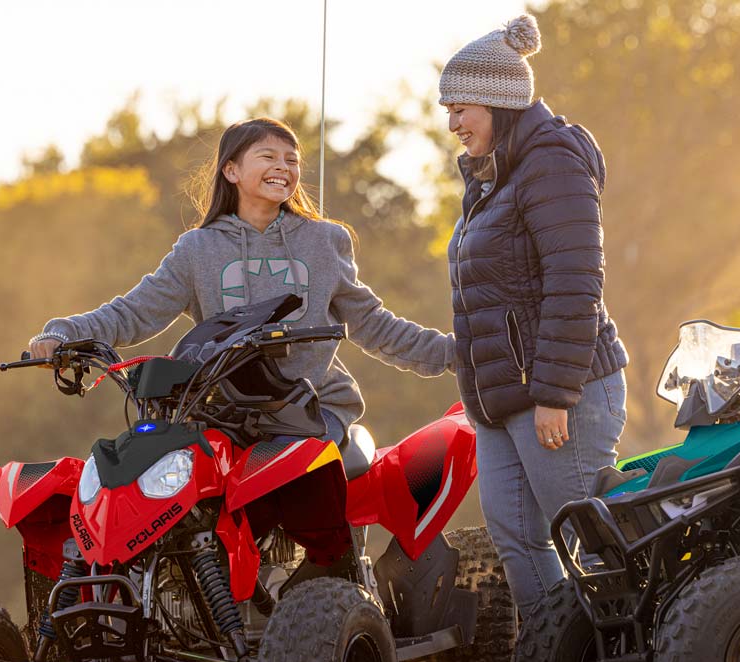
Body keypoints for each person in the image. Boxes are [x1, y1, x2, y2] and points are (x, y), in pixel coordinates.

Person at [28, 117, 454, 446]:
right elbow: (134, 312)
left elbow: (374, 325)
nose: (283, 167)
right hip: (224, 412)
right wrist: (63, 333)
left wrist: (456, 353)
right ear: (231, 170)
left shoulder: (324, 241)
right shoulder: (198, 249)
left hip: (313, 407)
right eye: (268, 156)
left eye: (291, 160)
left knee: (284, 471)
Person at [438, 14, 629, 612]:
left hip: (560, 392)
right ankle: (555, 660)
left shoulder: (551, 162)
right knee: (518, 540)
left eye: (460, 109)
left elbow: (575, 284)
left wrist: (554, 393)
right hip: (501, 400)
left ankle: (633, 659)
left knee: (593, 542)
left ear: (498, 102)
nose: (452, 124)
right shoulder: (490, 178)